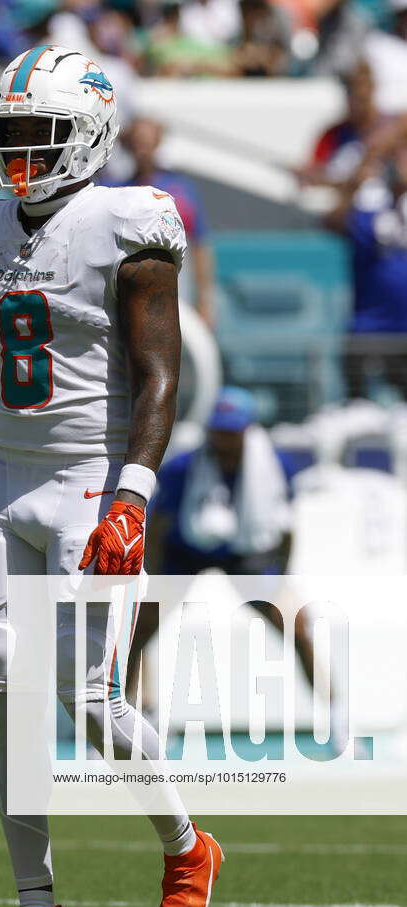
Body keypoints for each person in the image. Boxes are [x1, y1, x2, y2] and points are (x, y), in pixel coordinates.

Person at [0, 44, 224, 907]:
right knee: (6, 700)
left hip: (92, 479)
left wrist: (133, 497)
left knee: (89, 698)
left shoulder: (132, 221)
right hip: (6, 477)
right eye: (8, 139)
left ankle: (187, 848)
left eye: (40, 137)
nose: (21, 159)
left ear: (89, 135)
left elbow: (158, 377)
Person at [127, 386, 317, 707]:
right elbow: (158, 527)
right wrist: (155, 584)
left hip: (243, 552)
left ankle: (335, 712)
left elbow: (285, 529)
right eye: (218, 431)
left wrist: (279, 580)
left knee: (295, 624)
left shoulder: (276, 466)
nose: (224, 440)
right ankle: (127, 712)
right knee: (137, 629)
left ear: (248, 430)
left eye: (231, 432)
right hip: (183, 552)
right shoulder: (182, 468)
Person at [326, 139, 407, 398]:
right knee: (358, 408)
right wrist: (361, 172)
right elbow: (335, 220)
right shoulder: (368, 208)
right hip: (369, 328)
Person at [121, 116, 216, 331]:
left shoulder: (181, 188)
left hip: (181, 288)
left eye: (147, 142)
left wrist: (205, 298)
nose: (142, 150)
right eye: (137, 143)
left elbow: (199, 244)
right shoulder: (118, 190)